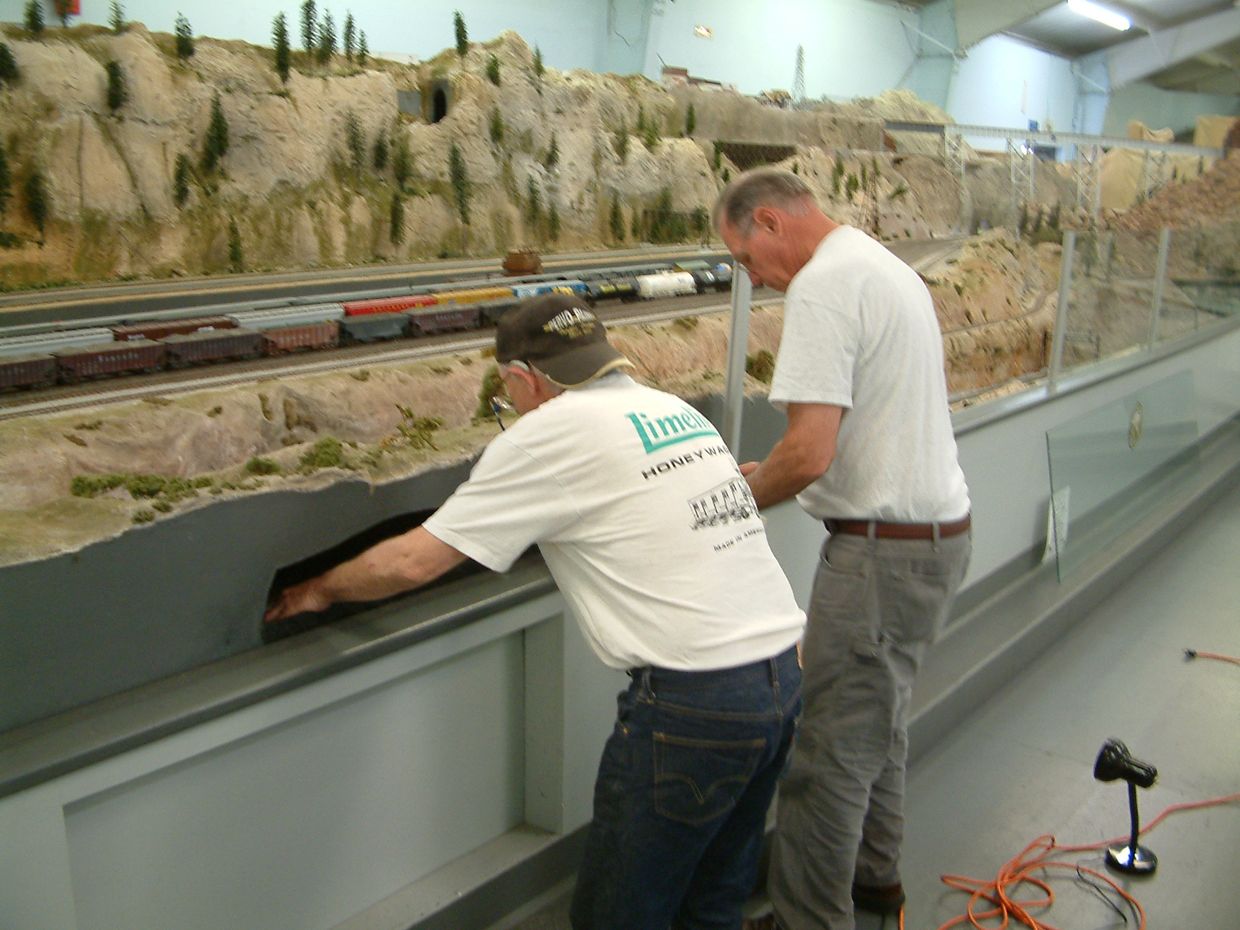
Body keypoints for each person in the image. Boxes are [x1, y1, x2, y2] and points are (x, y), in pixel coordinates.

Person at [266, 293, 806, 930]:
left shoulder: (548, 434)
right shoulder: (672, 410)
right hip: (782, 678)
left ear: (520, 379)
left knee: (619, 914)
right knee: (713, 900)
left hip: (695, 708)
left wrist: (315, 591)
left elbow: (414, 561)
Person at [713, 168, 972, 930]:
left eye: (743, 258)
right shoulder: (883, 266)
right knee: (878, 733)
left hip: (879, 562)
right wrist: (780, 466)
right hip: (935, 540)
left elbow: (811, 454)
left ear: (768, 222)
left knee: (827, 762)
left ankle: (807, 920)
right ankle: (874, 888)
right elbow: (853, 434)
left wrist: (726, 505)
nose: (751, 278)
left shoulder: (822, 287)